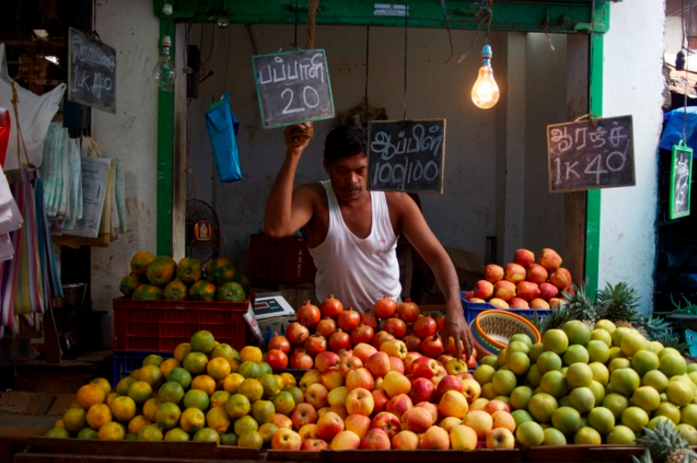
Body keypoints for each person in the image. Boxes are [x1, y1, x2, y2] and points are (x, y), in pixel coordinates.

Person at [264, 122, 473, 358]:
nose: (352, 180)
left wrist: (454, 308)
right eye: (342, 170)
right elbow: (275, 228)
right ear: (326, 166)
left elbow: (436, 256)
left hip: (391, 330)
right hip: (332, 334)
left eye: (361, 170)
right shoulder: (315, 198)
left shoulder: (394, 200)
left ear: (372, 167)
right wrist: (293, 154)